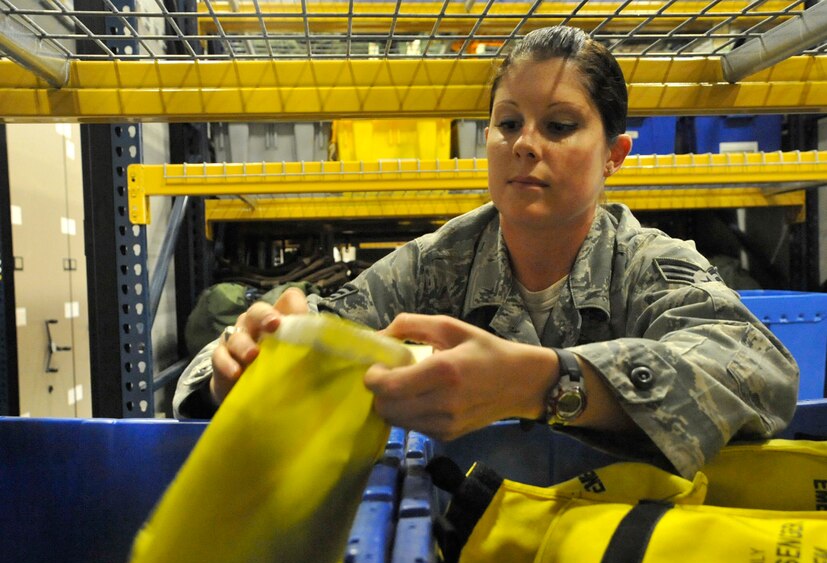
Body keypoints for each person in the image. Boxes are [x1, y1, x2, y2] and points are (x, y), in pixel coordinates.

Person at [174, 25, 798, 478]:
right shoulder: (437, 261)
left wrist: (547, 384)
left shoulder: (649, 265)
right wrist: (245, 367)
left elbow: (758, 377)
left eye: (559, 126)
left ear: (615, 155)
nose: (525, 144)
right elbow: (321, 332)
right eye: (507, 123)